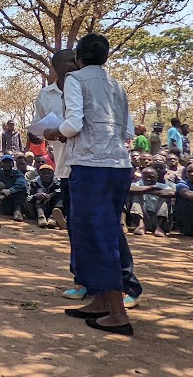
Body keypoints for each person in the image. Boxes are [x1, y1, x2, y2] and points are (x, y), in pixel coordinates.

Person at [55, 33, 137, 337]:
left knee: (94, 235)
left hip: (91, 166)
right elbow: (127, 130)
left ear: (79, 58)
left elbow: (73, 124)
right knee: (106, 230)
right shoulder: (117, 86)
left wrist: (57, 131)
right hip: (119, 165)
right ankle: (101, 300)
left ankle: (118, 314)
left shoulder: (76, 80)